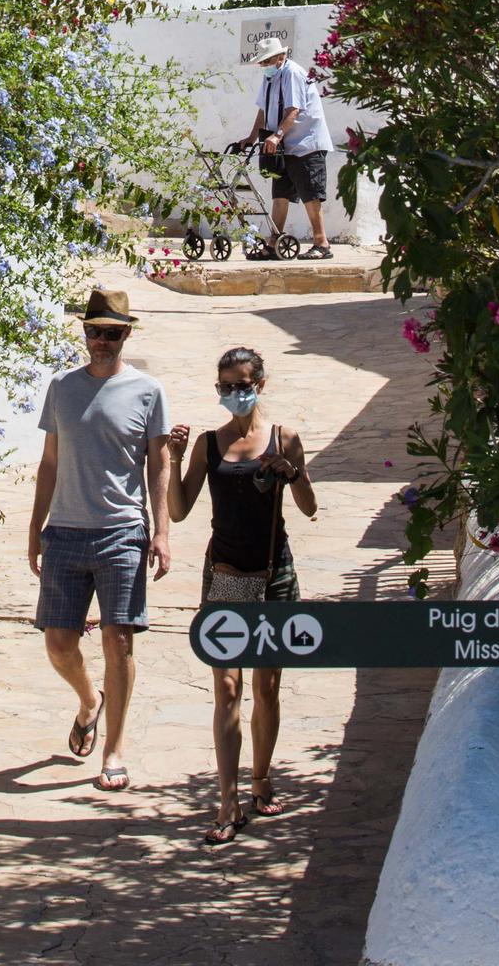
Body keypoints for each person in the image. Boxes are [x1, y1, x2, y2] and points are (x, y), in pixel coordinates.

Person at [167, 344, 317, 844]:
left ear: (260, 385)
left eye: (242, 385)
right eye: (225, 386)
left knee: (267, 686)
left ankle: (262, 777)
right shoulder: (209, 445)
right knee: (226, 689)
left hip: (274, 574)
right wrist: (172, 459)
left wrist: (291, 474)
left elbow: (310, 505)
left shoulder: (284, 439)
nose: (234, 393)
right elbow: (180, 509)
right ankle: (227, 799)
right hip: (226, 573)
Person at [29, 286, 171, 795]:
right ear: (85, 333)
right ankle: (90, 701)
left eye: (112, 333)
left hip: (122, 532)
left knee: (119, 639)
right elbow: (49, 463)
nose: (102, 341)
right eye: (95, 332)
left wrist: (162, 531)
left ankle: (114, 749)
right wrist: (34, 530)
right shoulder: (62, 388)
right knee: (58, 642)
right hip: (65, 531)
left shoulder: (147, 392)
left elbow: (159, 463)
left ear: (126, 335)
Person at [243, 33, 335, 259]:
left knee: (310, 193)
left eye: (267, 61)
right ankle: (275, 242)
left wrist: (277, 136)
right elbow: (263, 110)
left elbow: (294, 110)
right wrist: (251, 137)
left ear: (280, 57)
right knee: (280, 193)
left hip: (305, 143)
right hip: (283, 145)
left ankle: (321, 243)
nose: (264, 65)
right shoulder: (269, 77)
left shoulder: (292, 73)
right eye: (262, 62)